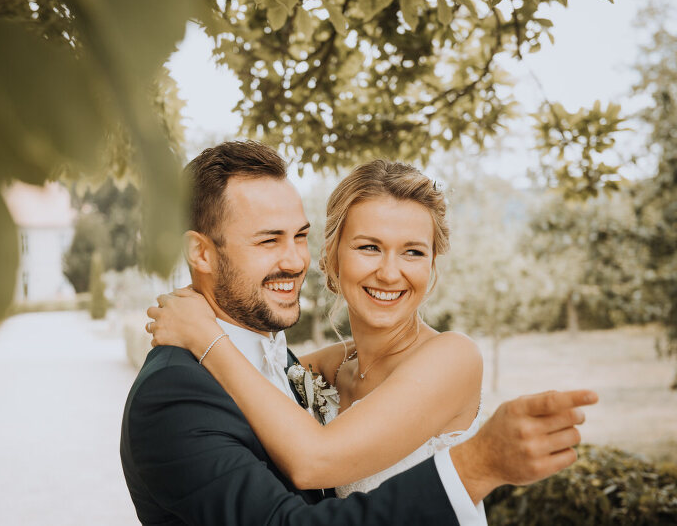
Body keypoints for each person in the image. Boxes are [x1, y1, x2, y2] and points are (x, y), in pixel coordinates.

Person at [121, 140, 597, 526]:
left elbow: (312, 459)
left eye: (414, 252)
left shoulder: (452, 356)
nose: (391, 273)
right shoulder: (307, 369)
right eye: (370, 247)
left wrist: (206, 336)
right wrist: (206, 336)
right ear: (335, 257)